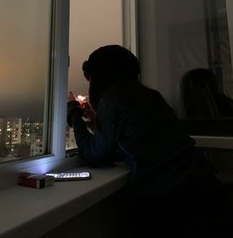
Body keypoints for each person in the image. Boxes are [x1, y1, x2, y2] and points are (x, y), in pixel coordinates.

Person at [67, 44, 233, 238]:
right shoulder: (149, 96)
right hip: (205, 192)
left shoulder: (113, 99)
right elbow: (128, 136)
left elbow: (94, 154)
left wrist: (73, 113)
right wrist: (96, 120)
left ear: (98, 78)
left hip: (171, 204)